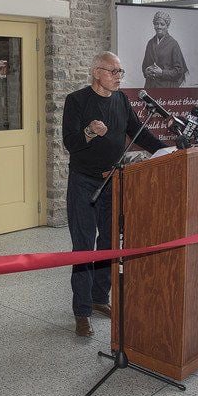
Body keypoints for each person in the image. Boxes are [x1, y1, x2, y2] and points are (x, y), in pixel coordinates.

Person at [62, 52, 166, 337]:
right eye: (114, 71)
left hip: (112, 181)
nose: (120, 76)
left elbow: (138, 133)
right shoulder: (77, 101)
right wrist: (89, 130)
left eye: (121, 71)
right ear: (97, 72)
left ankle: (98, 297)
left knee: (109, 242)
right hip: (83, 182)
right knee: (83, 246)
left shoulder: (121, 100)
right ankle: (81, 311)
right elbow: (69, 143)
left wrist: (168, 150)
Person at [141, 10, 189, 88]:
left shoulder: (173, 44)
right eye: (156, 24)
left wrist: (162, 72)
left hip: (167, 87)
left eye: (162, 24)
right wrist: (146, 71)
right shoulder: (150, 43)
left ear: (167, 26)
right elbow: (144, 65)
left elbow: (179, 71)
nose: (159, 27)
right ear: (154, 25)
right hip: (150, 86)